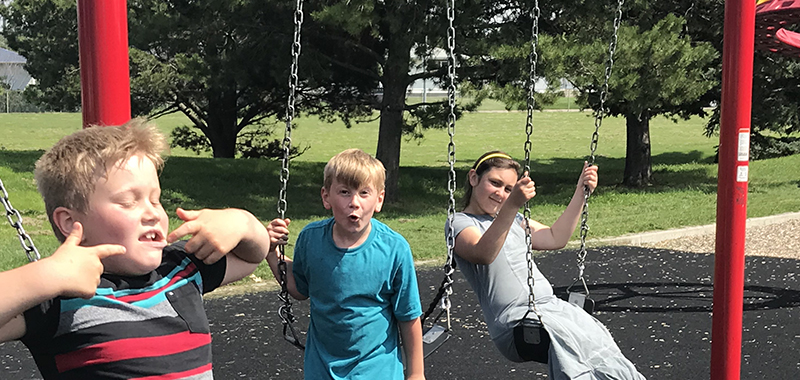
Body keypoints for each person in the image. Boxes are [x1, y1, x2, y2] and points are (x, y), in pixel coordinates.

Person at [0, 118, 271, 379]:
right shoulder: (58, 301)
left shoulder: (181, 269)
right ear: (70, 222)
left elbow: (251, 257)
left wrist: (242, 221)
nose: (152, 213)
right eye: (129, 202)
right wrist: (48, 276)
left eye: (156, 200)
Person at [447, 151, 645, 380]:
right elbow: (483, 253)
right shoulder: (459, 222)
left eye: (509, 189)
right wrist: (512, 205)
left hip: (551, 308)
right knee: (572, 352)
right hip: (515, 323)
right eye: (495, 183)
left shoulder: (515, 220)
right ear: (474, 178)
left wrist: (581, 191)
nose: (501, 194)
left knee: (599, 342)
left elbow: (554, 237)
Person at [265, 148, 425, 380]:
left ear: (379, 200)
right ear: (326, 197)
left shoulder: (394, 249)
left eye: (364, 193)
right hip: (322, 368)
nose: (354, 203)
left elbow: (408, 315)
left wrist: (416, 373)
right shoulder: (310, 239)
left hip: (376, 369)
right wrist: (272, 253)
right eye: (344, 192)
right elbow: (299, 288)